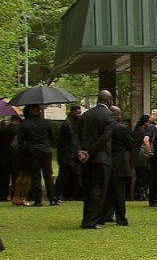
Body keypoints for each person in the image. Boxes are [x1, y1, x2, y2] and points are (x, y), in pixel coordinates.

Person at [77, 90, 115, 229]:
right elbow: (104, 138)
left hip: (86, 159)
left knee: (88, 189)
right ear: (109, 100)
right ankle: (92, 220)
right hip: (100, 157)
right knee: (99, 189)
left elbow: (77, 135)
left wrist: (81, 151)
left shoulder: (86, 115)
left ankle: (87, 217)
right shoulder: (109, 115)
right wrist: (90, 152)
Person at [19, 105, 57, 207]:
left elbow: (21, 141)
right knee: (48, 175)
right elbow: (52, 136)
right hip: (45, 149)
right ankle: (52, 199)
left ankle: (38, 200)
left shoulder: (25, 124)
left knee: (35, 176)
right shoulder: (46, 123)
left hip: (32, 150)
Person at [104, 106, 133, 226]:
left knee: (106, 191)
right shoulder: (122, 129)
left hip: (106, 161)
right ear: (118, 115)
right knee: (119, 193)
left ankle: (106, 215)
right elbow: (130, 144)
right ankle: (121, 218)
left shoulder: (104, 127)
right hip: (120, 163)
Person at [55, 104, 82, 202]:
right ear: (72, 112)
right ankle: (57, 195)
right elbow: (72, 137)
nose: (79, 114)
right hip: (67, 153)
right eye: (78, 112)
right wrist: (78, 150)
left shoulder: (73, 122)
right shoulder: (68, 123)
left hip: (70, 152)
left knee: (72, 175)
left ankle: (70, 195)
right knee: (64, 175)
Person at [0, 116, 19, 202]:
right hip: (15, 155)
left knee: (3, 178)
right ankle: (14, 195)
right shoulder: (18, 130)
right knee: (15, 177)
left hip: (4, 155)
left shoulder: (3, 129)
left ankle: (1, 196)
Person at [144, 109, 157, 207]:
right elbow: (146, 139)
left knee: (155, 177)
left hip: (154, 156)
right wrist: (149, 151)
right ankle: (153, 200)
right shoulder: (152, 127)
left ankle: (154, 199)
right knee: (154, 177)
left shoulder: (155, 127)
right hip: (154, 156)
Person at [130, 115, 150, 202]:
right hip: (141, 156)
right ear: (146, 123)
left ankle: (134, 193)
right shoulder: (143, 131)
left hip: (135, 155)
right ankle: (140, 192)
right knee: (143, 175)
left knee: (136, 175)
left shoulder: (136, 130)